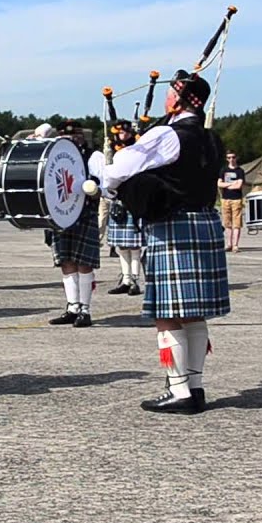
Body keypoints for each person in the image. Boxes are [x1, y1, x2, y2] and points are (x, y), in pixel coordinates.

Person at [103, 70, 230, 414]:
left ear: (179, 99)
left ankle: (178, 390)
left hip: (173, 227)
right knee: (195, 314)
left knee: (168, 313)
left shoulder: (167, 134)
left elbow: (120, 167)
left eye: (170, 93)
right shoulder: (212, 138)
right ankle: (195, 387)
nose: (165, 98)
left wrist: (109, 186)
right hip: (205, 222)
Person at [48, 119, 107, 328]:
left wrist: (96, 191)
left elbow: (105, 185)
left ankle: (85, 310)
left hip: (84, 213)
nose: (72, 138)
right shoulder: (52, 156)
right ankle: (72, 307)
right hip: (61, 215)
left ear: (82, 136)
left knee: (84, 262)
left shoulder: (94, 156)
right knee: (66, 262)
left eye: (75, 135)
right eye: (65, 135)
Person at [104, 119, 143, 295]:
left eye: (126, 132)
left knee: (134, 246)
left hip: (133, 199)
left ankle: (135, 280)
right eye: (120, 132)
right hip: (117, 200)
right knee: (121, 245)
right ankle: (126, 279)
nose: (123, 135)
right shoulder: (111, 149)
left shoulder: (137, 150)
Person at [217, 151, 246, 252]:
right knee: (227, 223)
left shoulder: (240, 171)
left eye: (233, 157)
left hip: (236, 199)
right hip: (225, 199)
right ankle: (229, 244)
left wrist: (227, 184)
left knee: (236, 223)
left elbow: (239, 185)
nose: (231, 159)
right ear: (226, 159)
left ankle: (235, 245)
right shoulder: (224, 170)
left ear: (236, 158)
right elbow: (219, 184)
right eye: (229, 158)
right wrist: (231, 184)